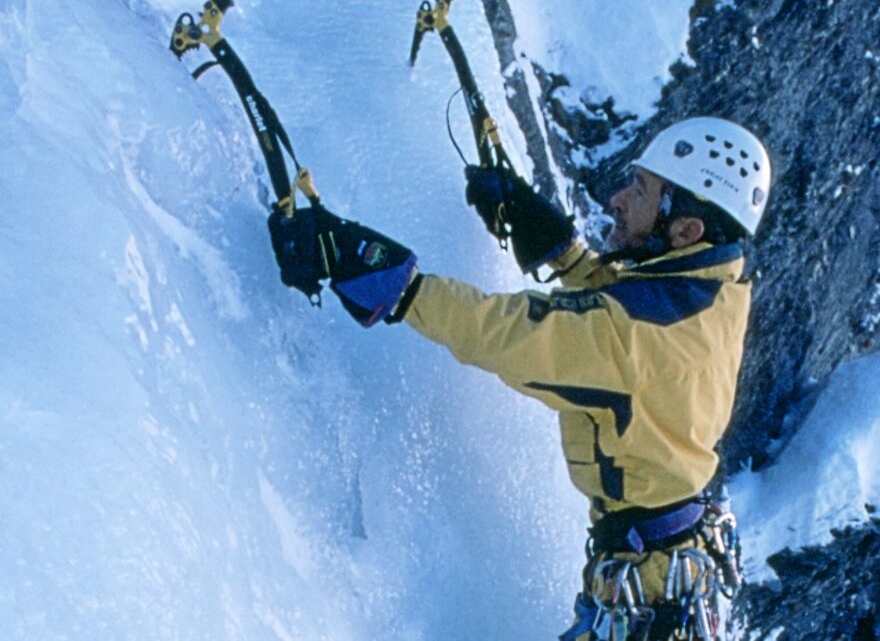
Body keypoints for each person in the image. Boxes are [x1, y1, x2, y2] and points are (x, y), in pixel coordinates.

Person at [268, 117, 771, 640]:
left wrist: (397, 284)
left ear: (686, 230)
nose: (618, 199)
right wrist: (561, 249)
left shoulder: (643, 340)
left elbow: (519, 337)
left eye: (640, 191)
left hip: (647, 582)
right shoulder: (710, 286)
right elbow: (633, 304)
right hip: (663, 568)